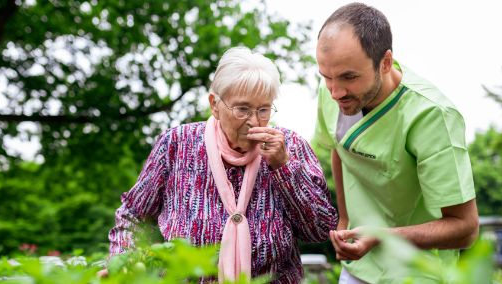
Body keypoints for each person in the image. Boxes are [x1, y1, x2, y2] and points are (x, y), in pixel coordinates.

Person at [106, 46, 338, 283]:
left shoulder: (290, 146)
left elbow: (320, 229)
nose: (254, 121)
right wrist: (125, 262)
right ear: (215, 105)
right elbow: (133, 214)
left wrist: (284, 167)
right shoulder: (177, 144)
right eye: (243, 109)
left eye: (263, 109)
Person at [313, 3, 479, 283]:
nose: (336, 92)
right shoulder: (332, 91)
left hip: (420, 271)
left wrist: (382, 238)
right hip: (358, 267)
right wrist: (344, 219)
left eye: (349, 77)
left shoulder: (432, 116)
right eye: (326, 76)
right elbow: (338, 148)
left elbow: (466, 228)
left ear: (385, 62)